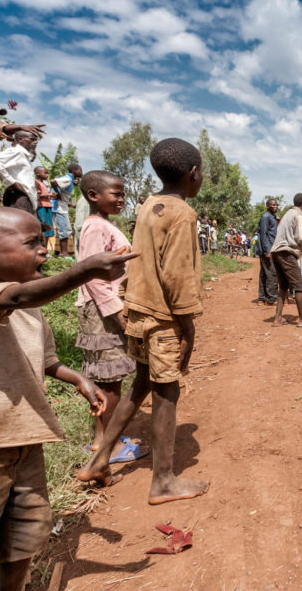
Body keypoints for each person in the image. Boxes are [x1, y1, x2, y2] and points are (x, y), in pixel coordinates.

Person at [0, 205, 134, 590]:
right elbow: (16, 298)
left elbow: (46, 359)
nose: (44, 250)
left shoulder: (31, 310)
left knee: (22, 542)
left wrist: (79, 379)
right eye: (32, 243)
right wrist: (84, 270)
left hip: (24, 446)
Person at [77, 138, 209, 505]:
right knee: (167, 391)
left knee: (141, 384)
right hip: (164, 318)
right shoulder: (182, 214)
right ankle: (163, 481)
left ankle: (98, 460)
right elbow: (177, 275)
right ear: (192, 174)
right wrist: (188, 327)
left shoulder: (148, 205)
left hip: (138, 310)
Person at [75, 170, 149, 465]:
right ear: (94, 196)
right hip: (103, 310)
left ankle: (104, 442)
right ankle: (106, 446)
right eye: (115, 194)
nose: (121, 199)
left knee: (111, 379)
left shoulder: (103, 225)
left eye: (122, 194)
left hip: (106, 307)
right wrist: (116, 312)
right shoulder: (95, 227)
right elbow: (93, 276)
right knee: (109, 381)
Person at [271, 193, 302, 327]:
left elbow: (290, 236)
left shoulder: (288, 214)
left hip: (276, 252)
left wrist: (300, 247)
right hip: (286, 253)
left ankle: (278, 318)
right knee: (299, 286)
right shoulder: (299, 215)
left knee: (283, 287)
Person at [0, 130, 39, 216]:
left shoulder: (24, 155)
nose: (35, 142)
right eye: (32, 139)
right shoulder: (17, 151)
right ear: (20, 139)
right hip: (17, 196)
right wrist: (11, 182)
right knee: (21, 226)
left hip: (23, 197)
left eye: (36, 140)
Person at [51, 163, 83, 258]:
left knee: (67, 229)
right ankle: (64, 254)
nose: (81, 172)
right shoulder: (68, 179)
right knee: (63, 230)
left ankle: (60, 252)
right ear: (75, 171)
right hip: (59, 208)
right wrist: (57, 193)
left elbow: (63, 194)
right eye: (80, 170)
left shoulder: (71, 181)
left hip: (62, 208)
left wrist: (70, 204)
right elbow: (53, 181)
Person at [256, 198, 280, 305]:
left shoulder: (273, 217)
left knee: (264, 274)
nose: (275, 206)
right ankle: (272, 299)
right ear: (267, 206)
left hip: (270, 248)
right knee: (271, 274)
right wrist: (267, 251)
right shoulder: (266, 217)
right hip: (268, 250)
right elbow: (263, 235)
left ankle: (262, 298)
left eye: (276, 205)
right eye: (273, 205)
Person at [34, 166, 56, 245]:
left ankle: (45, 249)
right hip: (41, 206)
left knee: (48, 228)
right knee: (43, 226)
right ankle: (41, 247)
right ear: (38, 174)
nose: (47, 175)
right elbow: (36, 195)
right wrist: (48, 194)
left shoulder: (44, 184)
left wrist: (49, 195)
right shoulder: (36, 183)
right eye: (45, 173)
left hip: (48, 206)